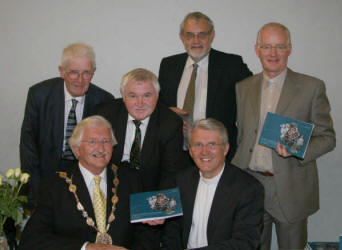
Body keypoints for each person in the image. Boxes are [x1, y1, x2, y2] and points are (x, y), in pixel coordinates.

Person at [232, 22, 336, 250]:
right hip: (251, 185)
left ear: (290, 49)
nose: (273, 53)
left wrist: (298, 150)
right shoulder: (243, 87)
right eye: (266, 46)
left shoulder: (311, 87)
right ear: (257, 49)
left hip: (291, 188)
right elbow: (242, 137)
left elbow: (327, 138)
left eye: (279, 46)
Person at [19, 116, 153, 250]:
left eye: (106, 141)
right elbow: (32, 240)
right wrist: (85, 248)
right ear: (77, 149)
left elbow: (146, 233)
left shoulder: (131, 180)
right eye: (92, 141)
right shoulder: (54, 186)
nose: (101, 149)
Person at [20, 42, 114, 208]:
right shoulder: (39, 95)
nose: (79, 80)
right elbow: (28, 147)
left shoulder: (104, 100)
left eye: (86, 73)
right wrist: (35, 192)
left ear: (93, 73)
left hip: (85, 177)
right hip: (45, 175)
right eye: (73, 73)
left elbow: (104, 150)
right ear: (62, 71)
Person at [158, 11, 252, 162]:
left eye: (202, 34)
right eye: (189, 35)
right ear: (182, 37)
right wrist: (167, 113)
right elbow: (158, 104)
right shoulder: (168, 65)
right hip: (175, 154)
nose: (196, 40)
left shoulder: (231, 65)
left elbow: (254, 95)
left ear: (212, 35)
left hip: (216, 155)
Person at [162, 118, 264, 249]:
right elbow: (172, 231)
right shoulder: (181, 181)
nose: (205, 152)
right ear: (191, 151)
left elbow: (245, 242)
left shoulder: (249, 189)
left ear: (226, 149)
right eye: (198, 145)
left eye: (212, 145)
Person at [96, 68, 184, 191]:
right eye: (133, 96)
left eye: (147, 95)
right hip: (109, 185)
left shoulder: (171, 124)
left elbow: (170, 175)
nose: (140, 103)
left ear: (157, 96)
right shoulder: (105, 115)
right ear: (123, 97)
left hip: (150, 188)